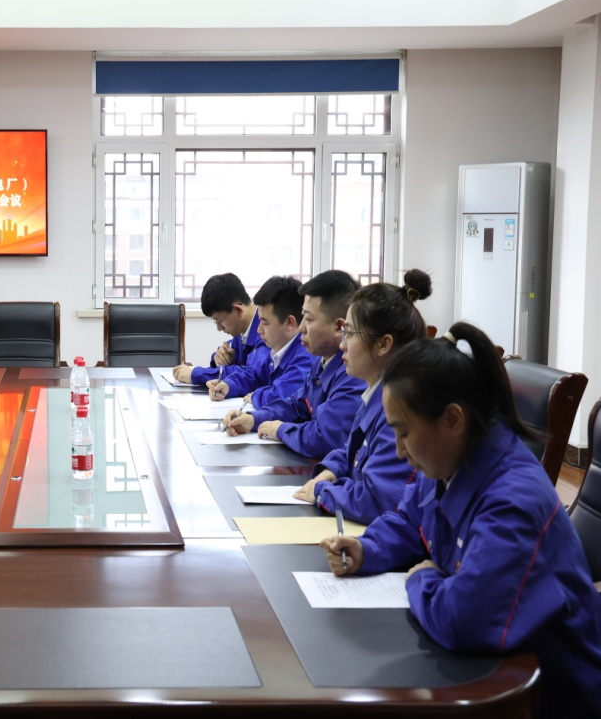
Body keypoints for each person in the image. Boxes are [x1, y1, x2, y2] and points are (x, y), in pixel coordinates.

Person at [320, 322, 601, 718]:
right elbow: (409, 521)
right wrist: (367, 549)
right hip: (481, 672)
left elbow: (464, 620)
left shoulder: (513, 503)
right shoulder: (446, 460)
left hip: (548, 697)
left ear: (453, 419)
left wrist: (421, 578)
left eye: (404, 432)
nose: (399, 451)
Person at [292, 270, 432, 521]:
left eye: (349, 333)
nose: (342, 344)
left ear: (383, 344)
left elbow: (375, 500)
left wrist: (323, 490)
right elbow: (350, 450)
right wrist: (331, 471)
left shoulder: (399, 412)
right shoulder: (375, 394)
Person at [223, 269, 363, 459]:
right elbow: (296, 406)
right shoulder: (323, 361)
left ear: (339, 327)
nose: (301, 326)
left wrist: (281, 430)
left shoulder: (353, 372)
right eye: (302, 316)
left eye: (309, 319)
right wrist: (253, 419)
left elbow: (326, 438)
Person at [208, 275, 313, 408]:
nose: (259, 330)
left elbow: (282, 396)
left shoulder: (306, 355)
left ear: (289, 323)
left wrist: (256, 396)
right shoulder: (278, 350)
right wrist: (228, 386)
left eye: (265, 322)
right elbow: (254, 376)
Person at [172, 272, 266, 386]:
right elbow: (231, 359)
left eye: (219, 321)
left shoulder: (265, 333)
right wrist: (218, 358)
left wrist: (196, 374)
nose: (219, 329)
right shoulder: (241, 332)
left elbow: (250, 375)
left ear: (238, 310)